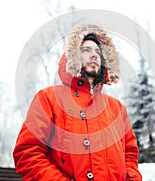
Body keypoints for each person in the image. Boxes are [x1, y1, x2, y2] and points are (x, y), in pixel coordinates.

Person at [13, 23, 142, 181]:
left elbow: (129, 154)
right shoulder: (49, 98)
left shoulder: (116, 107)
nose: (93, 55)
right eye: (86, 50)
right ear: (73, 56)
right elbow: (27, 153)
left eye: (97, 52)